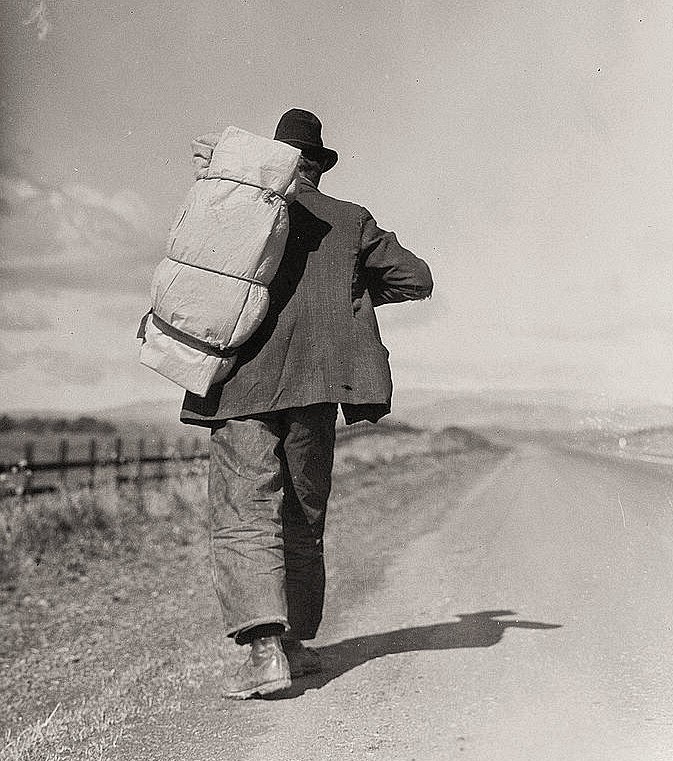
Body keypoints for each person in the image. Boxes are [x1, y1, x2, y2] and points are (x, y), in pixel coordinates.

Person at [180, 108, 434, 699]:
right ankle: (293, 644)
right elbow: (416, 279)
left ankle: (266, 653)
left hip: (239, 385)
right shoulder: (350, 222)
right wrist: (343, 295)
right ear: (318, 165)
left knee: (245, 511)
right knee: (302, 511)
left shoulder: (238, 210)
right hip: (318, 389)